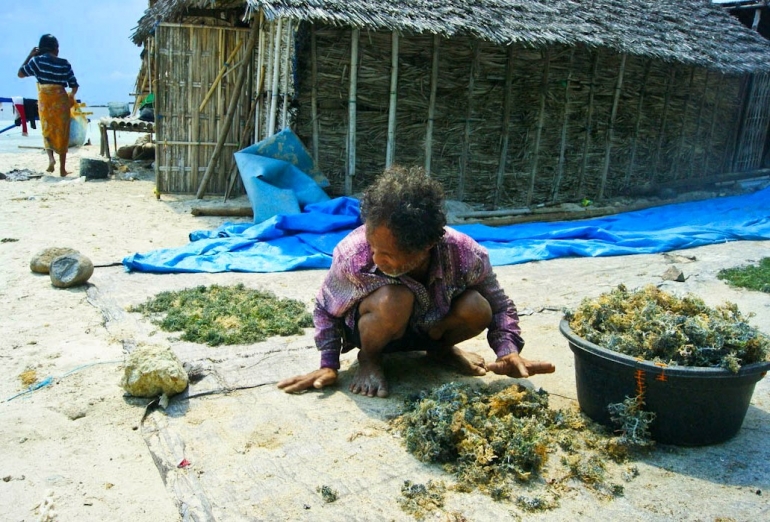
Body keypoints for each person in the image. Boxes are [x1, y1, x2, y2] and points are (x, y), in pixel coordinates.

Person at [278, 165, 555, 398]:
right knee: (395, 298)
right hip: (375, 331)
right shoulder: (354, 254)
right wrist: (329, 364)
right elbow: (325, 308)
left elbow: (500, 306)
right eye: (373, 246)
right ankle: (371, 361)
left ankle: (440, 352)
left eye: (388, 253)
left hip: (431, 329)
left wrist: (508, 351)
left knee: (478, 306)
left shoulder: (465, 254)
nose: (377, 257)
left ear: (427, 246)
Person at [18, 34, 79, 176]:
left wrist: (30, 56)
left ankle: (51, 159)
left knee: (47, 129)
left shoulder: (36, 61)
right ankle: (62, 169)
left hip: (45, 99)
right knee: (62, 132)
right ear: (55, 48)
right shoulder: (64, 63)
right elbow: (74, 85)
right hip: (61, 100)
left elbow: (20, 74)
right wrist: (71, 97)